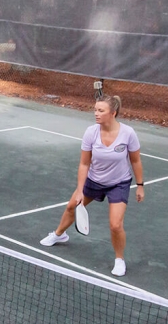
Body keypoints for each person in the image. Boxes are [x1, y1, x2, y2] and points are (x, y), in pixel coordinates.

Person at [39, 95, 144, 276]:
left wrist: (140, 185)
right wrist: (80, 190)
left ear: (113, 113)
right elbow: (84, 164)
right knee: (72, 206)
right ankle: (59, 234)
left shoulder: (128, 133)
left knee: (115, 225)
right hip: (93, 180)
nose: (96, 114)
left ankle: (119, 260)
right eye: (95, 110)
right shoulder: (91, 132)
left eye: (100, 110)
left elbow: (135, 161)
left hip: (118, 183)